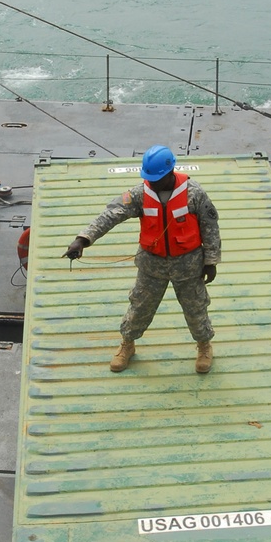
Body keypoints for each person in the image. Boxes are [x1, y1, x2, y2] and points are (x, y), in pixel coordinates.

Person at [64, 145, 221, 374]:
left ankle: (204, 345)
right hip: (152, 265)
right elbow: (111, 214)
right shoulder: (140, 194)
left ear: (170, 172)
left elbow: (210, 226)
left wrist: (211, 260)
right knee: (139, 306)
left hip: (188, 265)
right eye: (150, 178)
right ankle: (127, 345)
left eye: (157, 179)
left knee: (196, 308)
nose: (153, 183)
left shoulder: (193, 192)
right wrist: (83, 239)